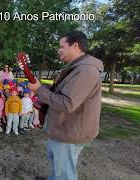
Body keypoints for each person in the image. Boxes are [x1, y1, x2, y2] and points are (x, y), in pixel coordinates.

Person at [28, 31, 103, 180]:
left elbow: (67, 103)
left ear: (75, 45)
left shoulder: (86, 71)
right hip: (65, 129)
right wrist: (41, 87)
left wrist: (39, 90)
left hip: (70, 132)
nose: (58, 50)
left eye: (61, 46)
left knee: (65, 173)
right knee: (59, 166)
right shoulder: (76, 68)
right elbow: (61, 93)